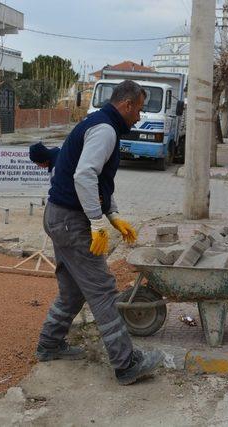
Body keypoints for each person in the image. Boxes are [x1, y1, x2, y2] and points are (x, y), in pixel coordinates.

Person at [35, 80, 164, 386]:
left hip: (59, 217)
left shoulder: (100, 125)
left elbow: (99, 180)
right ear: (127, 105)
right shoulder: (105, 129)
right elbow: (84, 176)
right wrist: (96, 221)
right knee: (103, 290)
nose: (139, 117)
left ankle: (49, 345)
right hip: (71, 220)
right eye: (140, 109)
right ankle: (126, 363)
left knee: (73, 290)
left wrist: (113, 215)